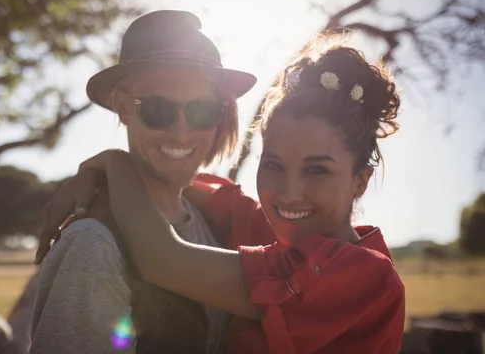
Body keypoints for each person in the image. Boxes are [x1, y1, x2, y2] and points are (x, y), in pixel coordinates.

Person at [38, 39, 406, 353]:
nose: (289, 194)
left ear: (361, 180)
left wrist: (115, 163)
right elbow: (208, 192)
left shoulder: (361, 276)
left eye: (317, 169)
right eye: (157, 109)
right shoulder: (264, 229)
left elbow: (163, 258)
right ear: (122, 108)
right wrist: (112, 180)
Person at [29, 10, 257, 354]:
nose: (181, 132)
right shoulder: (94, 243)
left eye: (202, 111)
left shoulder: (219, 222)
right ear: (123, 107)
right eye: (157, 109)